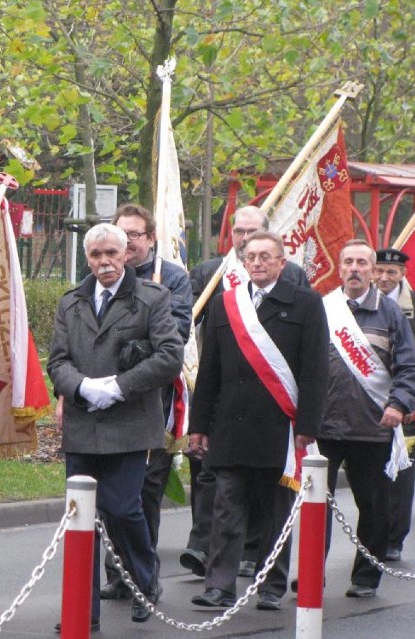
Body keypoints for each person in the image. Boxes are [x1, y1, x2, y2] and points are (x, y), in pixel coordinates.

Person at [48, 223, 184, 629]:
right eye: (96, 255)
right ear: (87, 258)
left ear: (126, 254)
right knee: (81, 520)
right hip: (83, 425)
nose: (104, 262)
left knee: (124, 510)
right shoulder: (71, 302)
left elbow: (169, 357)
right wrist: (83, 387)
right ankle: (81, 609)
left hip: (129, 424)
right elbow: (57, 362)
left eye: (111, 253)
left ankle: (145, 584)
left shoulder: (152, 298)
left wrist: (120, 387)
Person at [187, 232, 328, 611]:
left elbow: (316, 371)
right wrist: (198, 425)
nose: (258, 263)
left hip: (281, 429)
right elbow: (210, 371)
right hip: (231, 426)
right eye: (251, 257)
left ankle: (270, 586)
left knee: (274, 511)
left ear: (283, 262)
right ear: (243, 262)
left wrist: (307, 428)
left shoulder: (307, 304)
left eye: (267, 256)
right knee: (226, 508)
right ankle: (220, 586)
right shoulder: (225, 305)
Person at [317, 239, 415, 598]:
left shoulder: (391, 314)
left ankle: (365, 578)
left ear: (373, 269)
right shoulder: (323, 309)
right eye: (348, 262)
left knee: (374, 508)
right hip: (324, 428)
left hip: (373, 427)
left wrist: (398, 403)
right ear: (340, 266)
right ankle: (314, 574)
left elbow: (410, 366)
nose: (355, 269)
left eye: (363, 262)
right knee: (316, 507)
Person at [98, 203, 192, 601]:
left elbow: (178, 330)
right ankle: (117, 573)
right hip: (106, 402)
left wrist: (129, 350)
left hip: (155, 403)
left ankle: (142, 574)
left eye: (134, 235)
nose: (126, 242)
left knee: (143, 494)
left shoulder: (171, 277)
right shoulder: (102, 276)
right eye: (120, 234)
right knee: (109, 495)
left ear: (150, 238)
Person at [372, 248, 415, 561]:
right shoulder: (355, 305)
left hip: (405, 404)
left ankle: (394, 539)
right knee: (370, 473)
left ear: (403, 275)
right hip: (366, 401)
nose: (385, 278)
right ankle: (371, 536)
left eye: (392, 273)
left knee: (401, 472)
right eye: (380, 271)